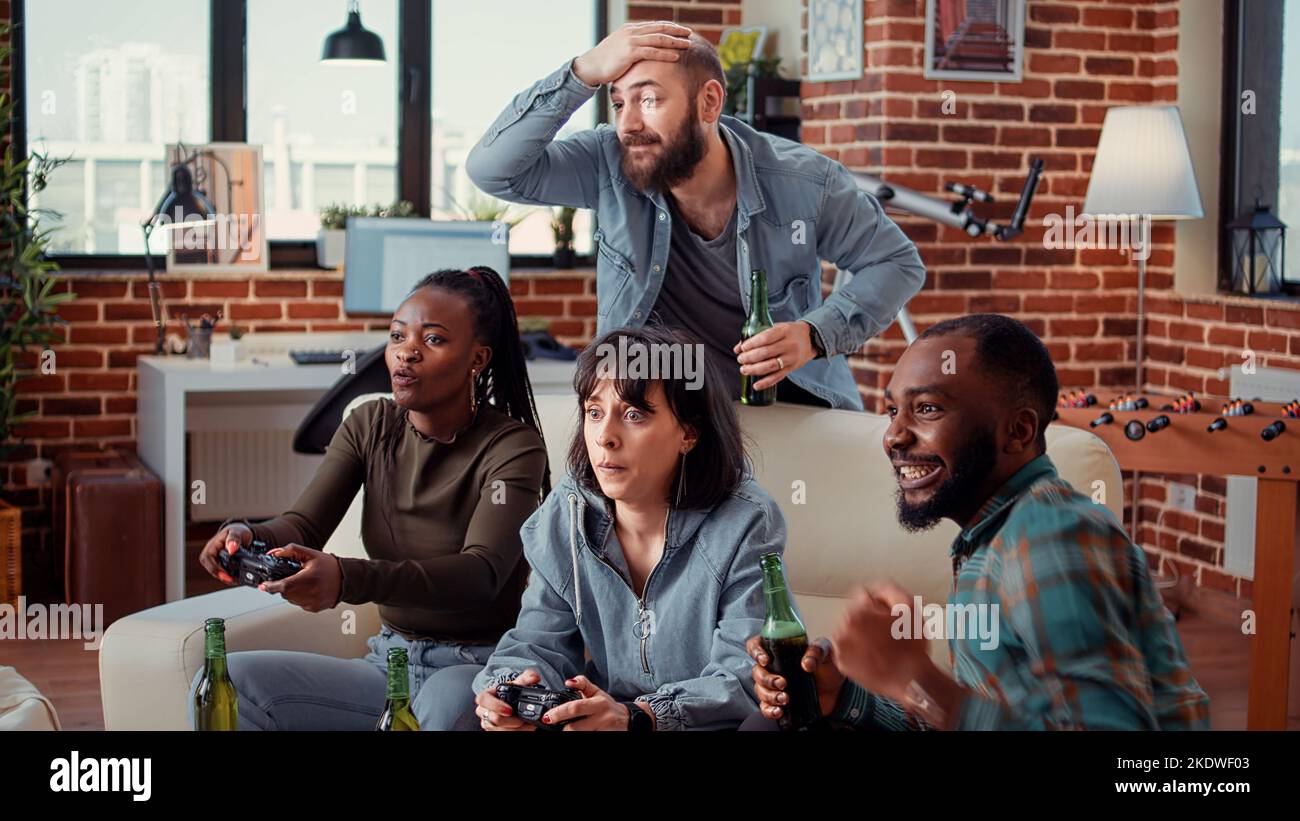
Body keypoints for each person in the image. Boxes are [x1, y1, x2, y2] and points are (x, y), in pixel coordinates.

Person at [743, 314, 1211, 730]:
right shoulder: (988, 539)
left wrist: (915, 677)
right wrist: (845, 699)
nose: (893, 436)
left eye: (927, 408)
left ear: (1019, 431)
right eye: (892, 410)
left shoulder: (1051, 537)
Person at [466, 21, 925, 411]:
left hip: (782, 410)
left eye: (648, 100)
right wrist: (582, 73)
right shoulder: (609, 160)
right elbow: (493, 171)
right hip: (657, 415)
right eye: (619, 102)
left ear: (709, 103)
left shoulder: (805, 183)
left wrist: (814, 334)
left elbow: (896, 263)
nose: (628, 124)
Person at [190, 267, 550, 730]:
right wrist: (245, 535)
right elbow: (302, 524)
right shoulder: (369, 424)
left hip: (477, 668)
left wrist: (346, 579)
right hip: (388, 664)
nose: (407, 352)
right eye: (398, 336)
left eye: (434, 340)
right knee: (230, 683)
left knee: (439, 709)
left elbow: (480, 573)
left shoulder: (513, 447)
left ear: (477, 359)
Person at [423, 326, 785, 730]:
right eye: (594, 413)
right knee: (453, 692)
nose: (605, 437)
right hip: (600, 719)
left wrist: (638, 716)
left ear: (688, 433)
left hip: (700, 724)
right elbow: (538, 642)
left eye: (634, 415)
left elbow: (742, 679)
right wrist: (511, 691)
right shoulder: (570, 509)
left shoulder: (745, 520)